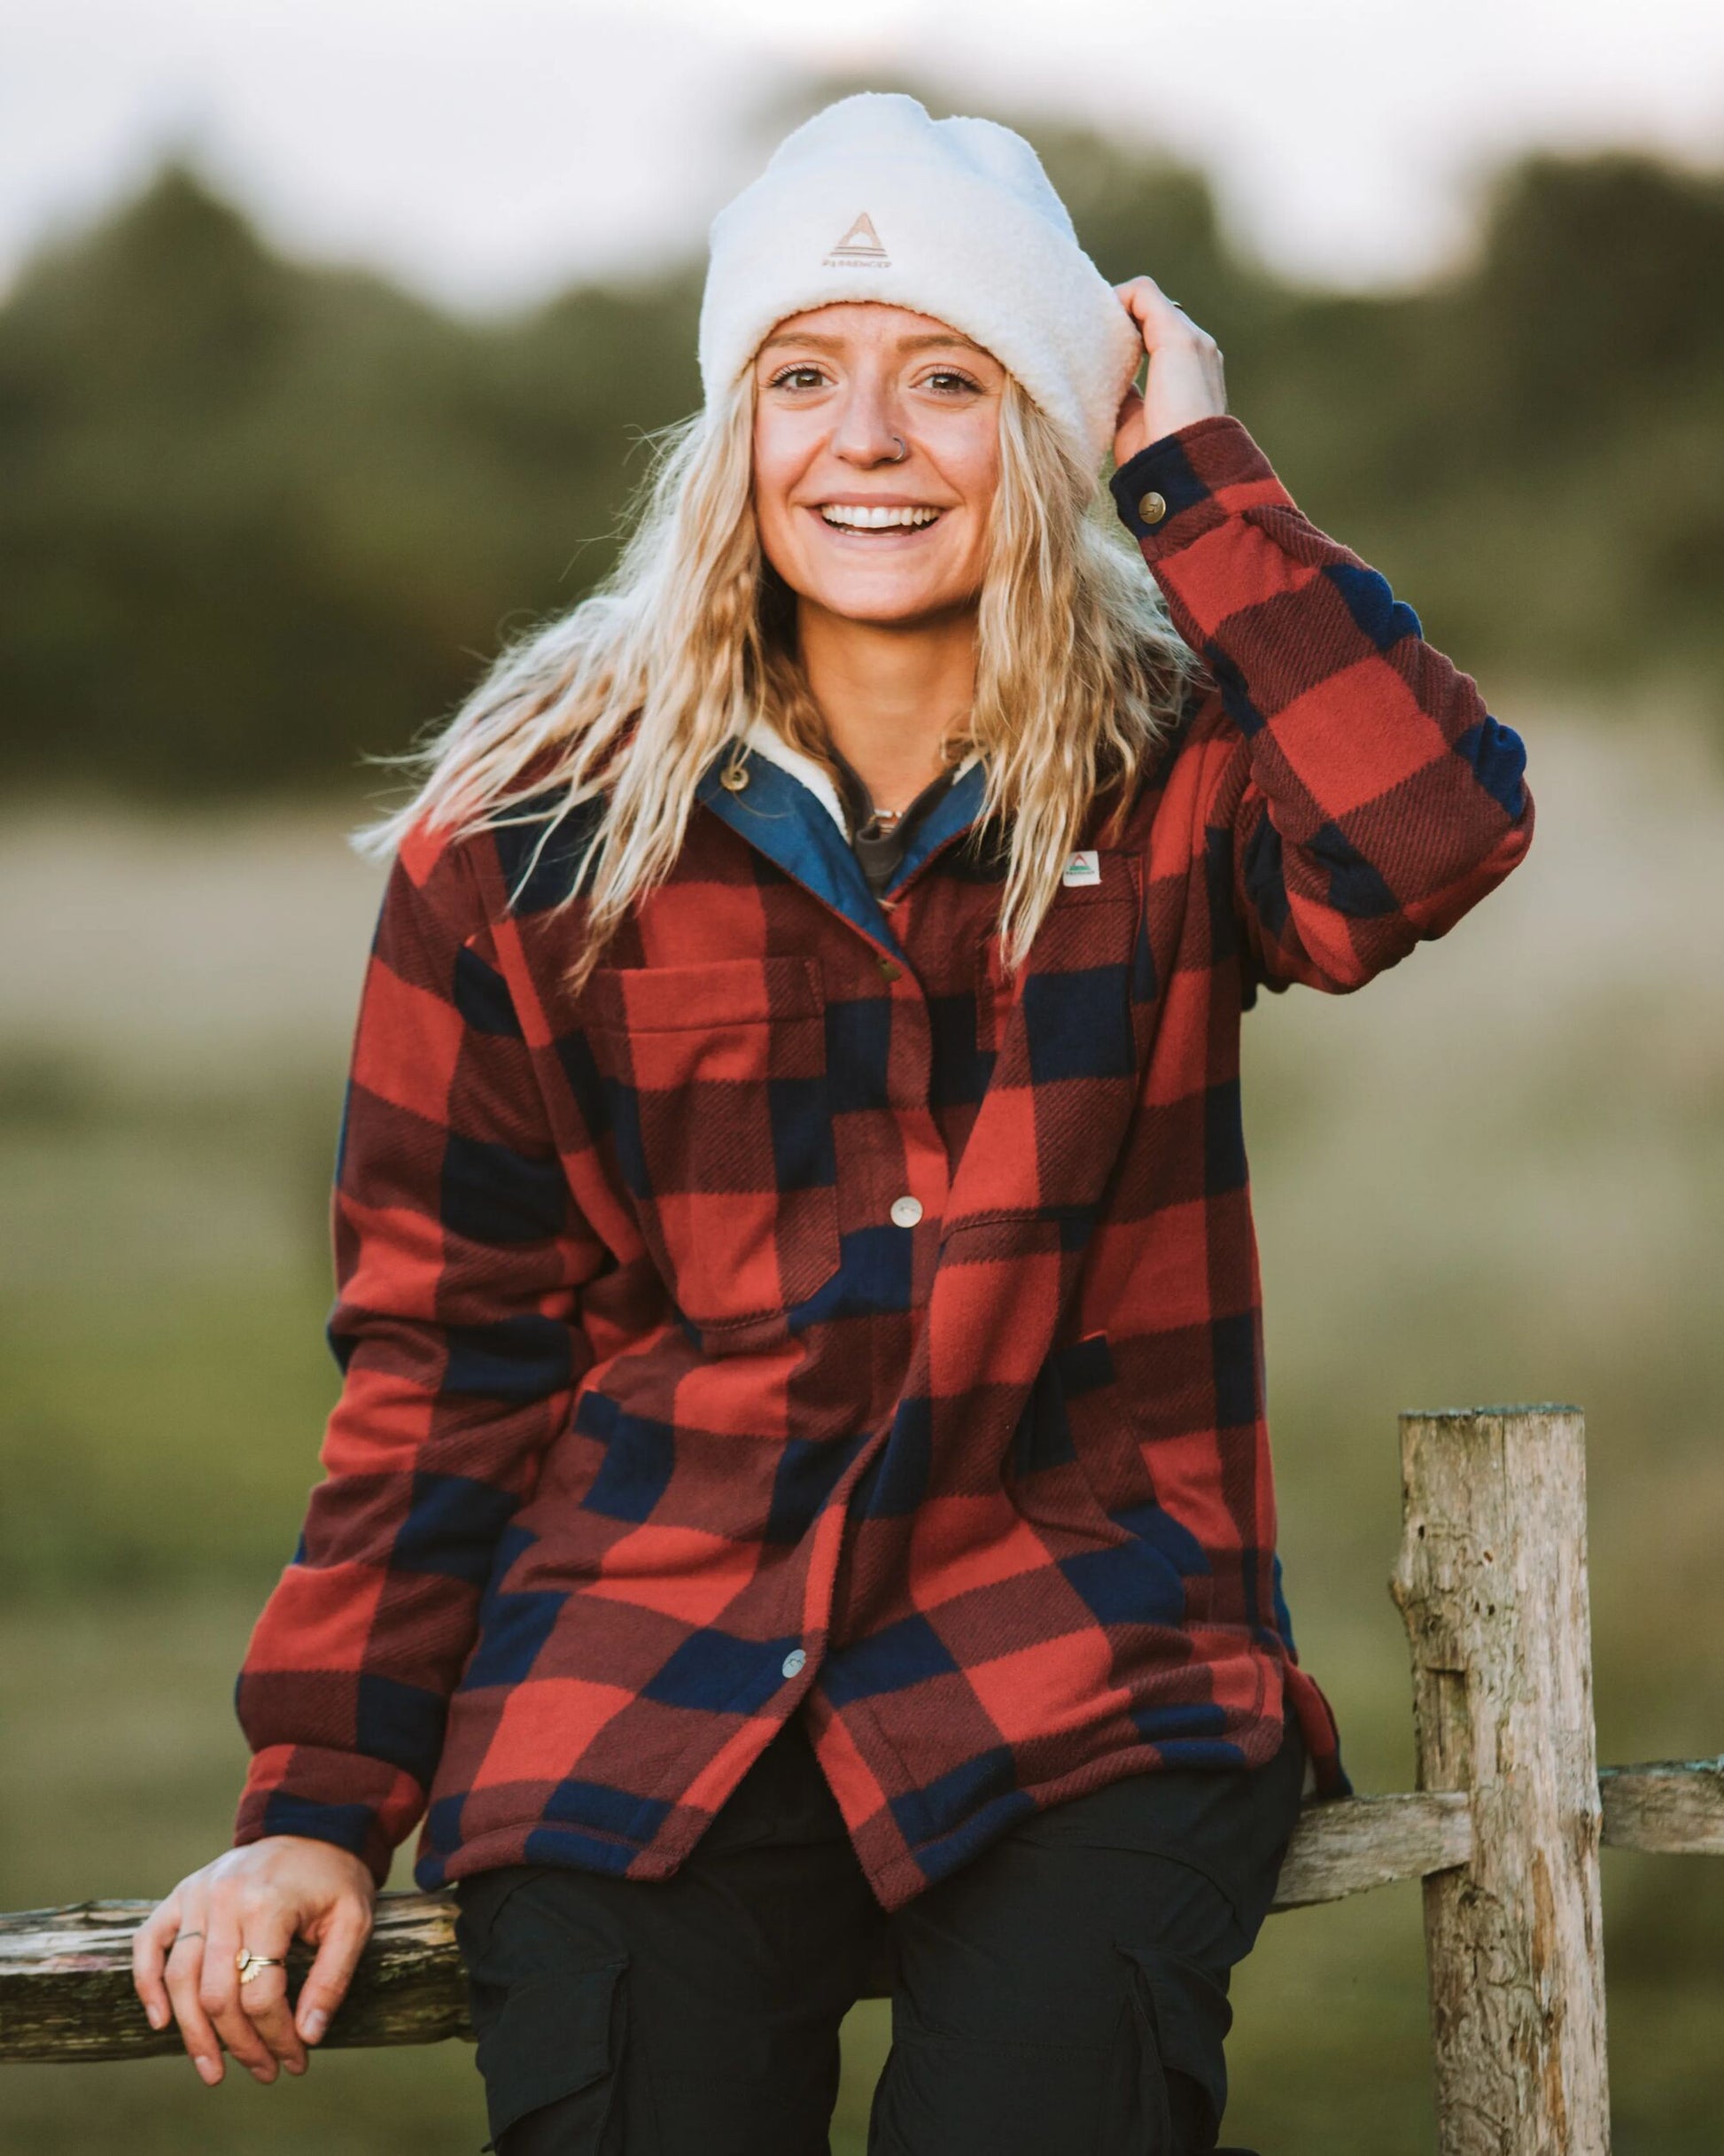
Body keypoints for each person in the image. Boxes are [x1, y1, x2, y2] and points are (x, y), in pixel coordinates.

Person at [131, 90, 1534, 2154]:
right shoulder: (525, 842)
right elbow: (446, 1356)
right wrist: (320, 1798)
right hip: (647, 1660)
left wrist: (1193, 471)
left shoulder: (1169, 777)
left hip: (1086, 1655)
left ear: (1046, 430)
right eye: (801, 376)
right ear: (734, 428)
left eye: (948, 378)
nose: (864, 439)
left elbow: (1430, 830)